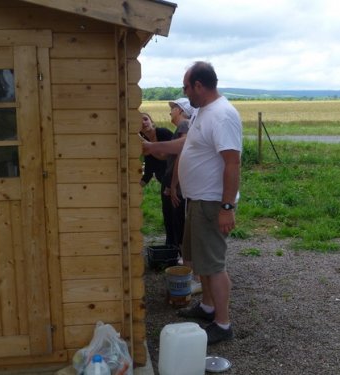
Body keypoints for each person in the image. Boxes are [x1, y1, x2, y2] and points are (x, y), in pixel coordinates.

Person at [142, 61, 242, 345]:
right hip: (197, 200)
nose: (184, 92)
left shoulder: (222, 115)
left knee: (214, 264)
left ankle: (222, 324)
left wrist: (227, 208)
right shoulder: (202, 113)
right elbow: (186, 145)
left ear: (199, 85)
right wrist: (152, 147)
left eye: (185, 86)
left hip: (212, 202)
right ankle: (208, 307)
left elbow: (232, 163)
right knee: (200, 260)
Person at [163, 98, 201, 294]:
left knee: (181, 222)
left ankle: (191, 272)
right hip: (181, 185)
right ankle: (189, 268)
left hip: (182, 186)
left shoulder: (184, 125)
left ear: (180, 110)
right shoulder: (185, 125)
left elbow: (180, 155)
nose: (170, 112)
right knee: (180, 223)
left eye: (173, 109)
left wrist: (173, 185)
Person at [139, 112, 174, 245]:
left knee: (177, 216)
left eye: (145, 119)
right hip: (165, 183)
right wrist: (134, 188)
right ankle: (171, 246)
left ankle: (182, 251)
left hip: (178, 180)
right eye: (139, 121)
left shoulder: (163, 133)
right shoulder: (144, 143)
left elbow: (167, 155)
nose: (143, 122)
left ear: (151, 121)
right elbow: (148, 172)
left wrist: (150, 146)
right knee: (168, 216)